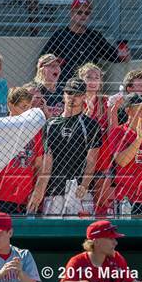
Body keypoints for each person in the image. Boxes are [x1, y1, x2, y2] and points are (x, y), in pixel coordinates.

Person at [42, 78, 102, 216]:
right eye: (69, 93)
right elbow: (47, 161)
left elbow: (91, 160)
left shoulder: (91, 125)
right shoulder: (50, 124)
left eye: (77, 94)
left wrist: (85, 185)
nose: (72, 97)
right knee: (53, 230)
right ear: (63, 95)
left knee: (81, 233)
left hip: (79, 190)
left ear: (84, 96)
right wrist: (41, 189)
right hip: (54, 189)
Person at [0, 87, 51, 215]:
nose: (27, 111)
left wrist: (37, 191)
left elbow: (38, 165)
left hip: (25, 198)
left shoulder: (34, 131)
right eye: (23, 107)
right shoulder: (1, 129)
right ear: (10, 105)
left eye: (29, 107)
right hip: (2, 197)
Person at [41, 0, 130, 84]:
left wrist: (123, 53)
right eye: (79, 12)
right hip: (66, 85)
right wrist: (57, 62)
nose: (83, 15)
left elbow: (114, 56)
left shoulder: (95, 36)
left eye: (87, 13)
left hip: (89, 85)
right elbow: (43, 59)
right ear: (72, 14)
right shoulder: (60, 35)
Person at [59, 220, 142, 282]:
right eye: (110, 238)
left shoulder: (117, 258)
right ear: (96, 242)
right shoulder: (77, 261)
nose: (115, 242)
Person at [78, 63, 114, 216]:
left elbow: (113, 132)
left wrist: (113, 111)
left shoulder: (106, 102)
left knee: (101, 202)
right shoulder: (75, 100)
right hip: (80, 157)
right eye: (88, 77)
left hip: (102, 157)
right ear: (81, 80)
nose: (92, 81)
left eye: (96, 77)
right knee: (79, 201)